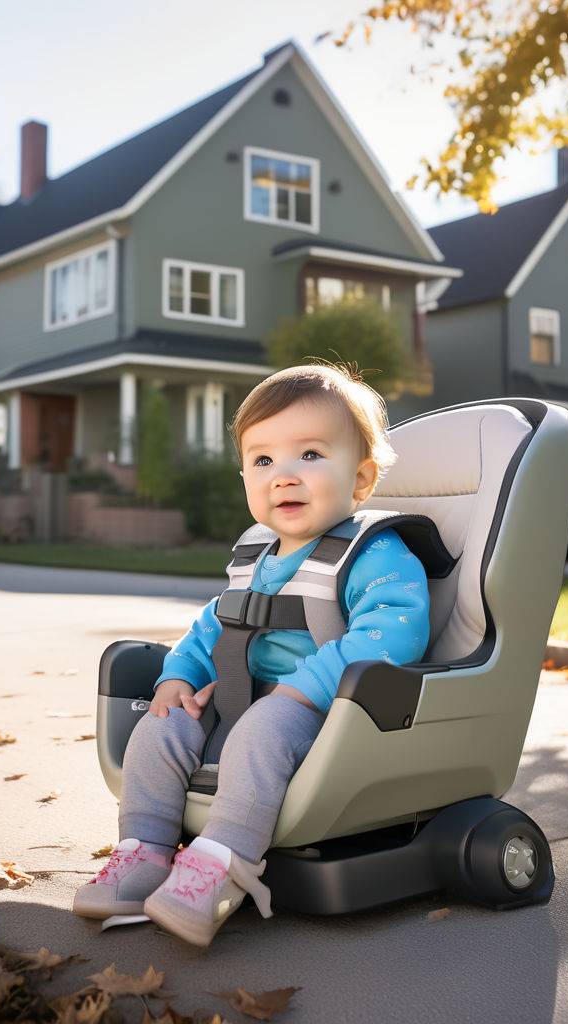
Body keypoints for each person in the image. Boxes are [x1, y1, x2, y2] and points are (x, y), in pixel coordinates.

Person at [72, 360, 430, 946]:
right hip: (241, 698)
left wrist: (304, 687)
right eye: (263, 460)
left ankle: (220, 869)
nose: (283, 476)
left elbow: (393, 635)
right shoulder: (256, 557)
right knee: (161, 728)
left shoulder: (373, 554)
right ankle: (143, 853)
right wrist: (178, 677)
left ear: (361, 479)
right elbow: (215, 626)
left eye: (310, 455)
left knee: (264, 731)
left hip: (329, 713)